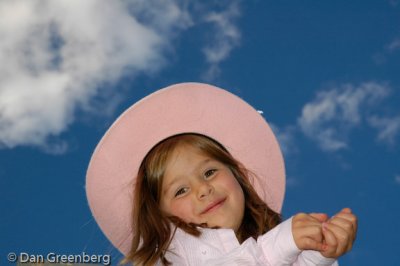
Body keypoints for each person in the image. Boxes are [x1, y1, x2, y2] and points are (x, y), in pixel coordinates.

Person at [86, 83, 357, 265]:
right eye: (180, 190)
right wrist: (282, 243)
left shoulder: (264, 246)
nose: (203, 189)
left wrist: (317, 251)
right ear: (157, 215)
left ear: (237, 175)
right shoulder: (172, 255)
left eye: (209, 172)